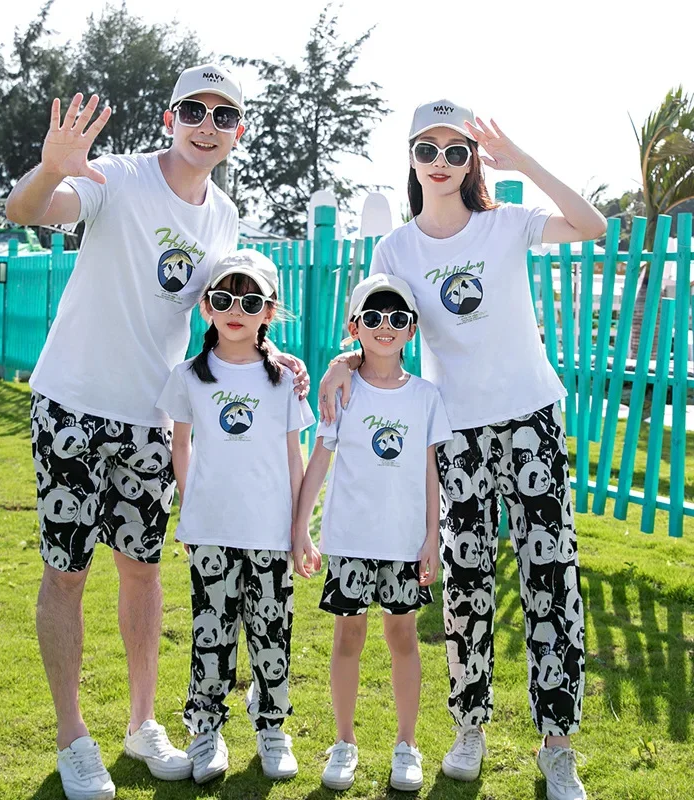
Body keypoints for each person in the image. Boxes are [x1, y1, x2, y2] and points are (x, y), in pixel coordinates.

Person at [5, 63, 308, 800]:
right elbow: (28, 212)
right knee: (67, 573)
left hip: (151, 417)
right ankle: (73, 736)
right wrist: (50, 170)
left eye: (225, 115)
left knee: (142, 570)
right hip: (73, 405)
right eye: (194, 110)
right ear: (170, 118)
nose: (209, 125)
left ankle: (142, 727)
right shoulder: (116, 178)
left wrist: (272, 355)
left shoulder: (226, 216)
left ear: (239, 132)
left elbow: (220, 314)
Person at [317, 100, 606, 800]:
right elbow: (377, 330)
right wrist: (343, 363)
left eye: (455, 151)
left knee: (549, 576)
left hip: (531, 418)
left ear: (471, 160)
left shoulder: (506, 224)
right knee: (467, 583)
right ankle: (469, 727)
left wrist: (523, 161)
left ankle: (556, 744)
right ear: (411, 160)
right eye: (427, 150)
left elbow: (594, 226)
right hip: (458, 431)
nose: (441, 163)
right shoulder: (397, 250)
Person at [157, 250, 315, 784]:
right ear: (206, 306)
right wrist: (190, 507)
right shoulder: (189, 376)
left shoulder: (285, 379)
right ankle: (205, 728)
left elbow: (295, 457)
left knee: (272, 631)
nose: (236, 311)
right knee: (211, 631)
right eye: (224, 298)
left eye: (250, 301)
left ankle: (271, 724)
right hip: (211, 530)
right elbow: (181, 448)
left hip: (270, 530)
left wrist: (300, 529)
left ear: (267, 311)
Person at [295, 274, 452, 792]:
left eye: (398, 319)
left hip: (405, 543)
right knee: (349, 636)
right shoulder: (343, 391)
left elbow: (431, 472)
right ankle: (344, 743)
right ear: (355, 327)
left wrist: (433, 537)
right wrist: (302, 526)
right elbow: (321, 457)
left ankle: (407, 745)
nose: (386, 326)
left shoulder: (427, 398)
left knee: (403, 635)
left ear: (412, 331)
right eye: (374, 317)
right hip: (349, 541)